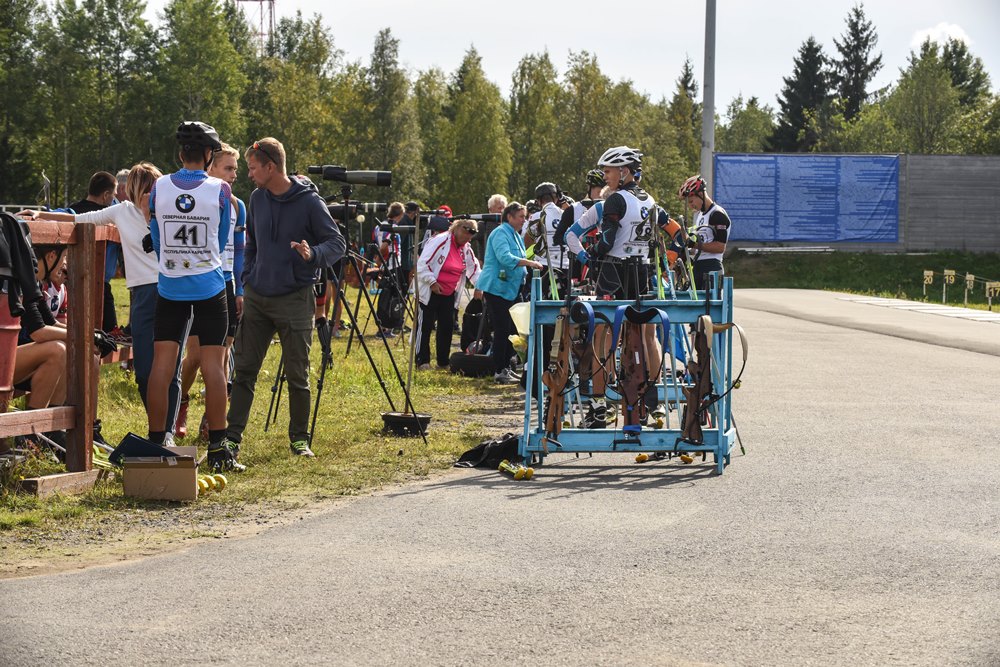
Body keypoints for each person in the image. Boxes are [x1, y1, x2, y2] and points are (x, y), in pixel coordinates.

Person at [18, 163, 184, 443]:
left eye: (157, 190)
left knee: (172, 367)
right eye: (148, 191)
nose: (154, 196)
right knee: (144, 370)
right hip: (143, 295)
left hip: (175, 291)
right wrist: (41, 214)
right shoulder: (122, 212)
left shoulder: (170, 213)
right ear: (134, 192)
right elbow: (80, 218)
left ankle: (164, 432)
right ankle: (157, 428)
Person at [225, 137, 345, 461]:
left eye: (252, 168)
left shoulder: (309, 202)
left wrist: (312, 254)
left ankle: (299, 440)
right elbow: (251, 244)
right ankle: (231, 439)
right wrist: (248, 277)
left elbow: (337, 243)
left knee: (298, 373)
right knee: (244, 371)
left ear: (271, 167)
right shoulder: (257, 198)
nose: (249, 174)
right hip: (257, 298)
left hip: (294, 299)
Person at [147, 121, 232, 470]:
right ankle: (218, 449)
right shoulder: (221, 191)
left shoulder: (158, 187)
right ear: (210, 155)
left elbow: (154, 234)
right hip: (209, 286)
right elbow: (222, 236)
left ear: (180, 153)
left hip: (170, 285)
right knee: (214, 366)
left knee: (162, 365)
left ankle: (155, 442)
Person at [566, 146, 661, 427]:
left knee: (603, 335)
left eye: (608, 171)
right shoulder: (650, 200)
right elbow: (670, 234)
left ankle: (601, 403)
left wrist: (588, 256)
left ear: (624, 171)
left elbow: (605, 242)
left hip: (613, 273)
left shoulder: (615, 200)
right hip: (642, 272)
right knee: (647, 335)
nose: (604, 176)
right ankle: (652, 402)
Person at [176, 143, 246, 440]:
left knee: (221, 356)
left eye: (235, 169)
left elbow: (239, 250)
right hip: (200, 281)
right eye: (228, 168)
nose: (234, 175)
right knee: (195, 357)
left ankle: (212, 420)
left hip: (227, 283)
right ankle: (180, 404)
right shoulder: (198, 198)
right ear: (211, 168)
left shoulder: (238, 205)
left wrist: (239, 288)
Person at [476, 202, 543, 384]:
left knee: (514, 330)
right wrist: (529, 264)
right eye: (521, 216)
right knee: (502, 329)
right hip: (497, 289)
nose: (524, 220)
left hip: (512, 289)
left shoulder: (515, 235)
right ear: (509, 217)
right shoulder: (500, 234)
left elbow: (522, 256)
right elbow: (505, 258)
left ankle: (506, 366)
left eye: (525, 216)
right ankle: (499, 370)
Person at [414, 218, 482, 370]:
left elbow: (474, 268)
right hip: (430, 290)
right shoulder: (439, 241)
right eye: (466, 231)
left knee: (446, 326)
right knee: (425, 325)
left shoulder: (466, 248)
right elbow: (422, 264)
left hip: (449, 291)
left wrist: (479, 286)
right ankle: (422, 360)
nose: (468, 236)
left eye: (472, 234)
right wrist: (432, 282)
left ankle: (443, 361)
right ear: (456, 228)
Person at [678, 174, 731, 291]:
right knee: (695, 308)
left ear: (701, 194)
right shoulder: (700, 215)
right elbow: (701, 245)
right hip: (698, 266)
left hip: (711, 267)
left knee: (710, 308)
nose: (691, 205)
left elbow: (720, 247)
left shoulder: (717, 214)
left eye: (692, 201)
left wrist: (694, 244)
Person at [523, 183, 569, 298]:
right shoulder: (566, 214)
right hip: (565, 268)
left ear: (538, 200)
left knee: (541, 305)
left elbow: (526, 243)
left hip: (543, 267)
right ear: (556, 198)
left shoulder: (537, 217)